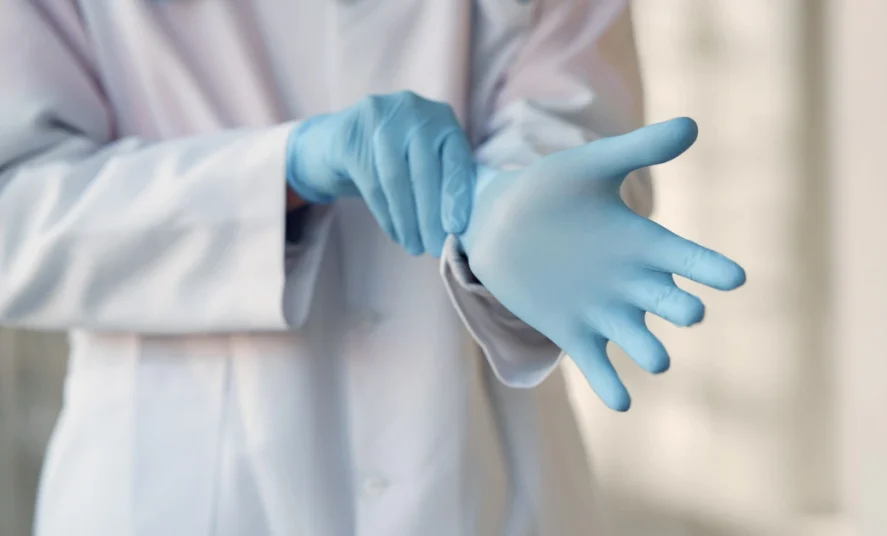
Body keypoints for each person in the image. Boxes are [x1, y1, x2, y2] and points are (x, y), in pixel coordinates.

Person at [0, 1, 745, 535]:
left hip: (479, 475)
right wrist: (281, 172)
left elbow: (583, 129)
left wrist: (520, 205)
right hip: (177, 485)